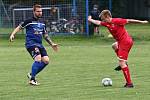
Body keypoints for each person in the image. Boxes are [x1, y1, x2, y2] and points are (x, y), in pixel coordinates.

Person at [88, 10, 148, 88]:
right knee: (114, 45)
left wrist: (142, 22)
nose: (102, 21)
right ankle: (123, 62)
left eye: (103, 19)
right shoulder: (107, 23)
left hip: (125, 42)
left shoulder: (117, 21)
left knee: (122, 63)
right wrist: (90, 19)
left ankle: (129, 83)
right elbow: (98, 22)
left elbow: (129, 20)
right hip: (121, 42)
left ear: (107, 17)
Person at [9, 4, 58, 86]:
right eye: (38, 11)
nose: (40, 13)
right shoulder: (29, 21)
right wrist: (12, 34)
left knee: (46, 61)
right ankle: (32, 79)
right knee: (38, 58)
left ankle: (31, 74)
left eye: (41, 11)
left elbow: (45, 35)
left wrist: (52, 44)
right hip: (30, 43)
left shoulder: (42, 23)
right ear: (34, 12)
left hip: (39, 44)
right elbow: (19, 27)